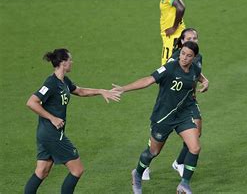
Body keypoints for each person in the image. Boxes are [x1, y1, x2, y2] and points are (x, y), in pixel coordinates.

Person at [112, 42, 208, 194]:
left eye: (188, 55)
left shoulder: (195, 69)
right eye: (182, 53)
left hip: (183, 116)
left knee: (195, 147)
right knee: (153, 152)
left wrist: (205, 82)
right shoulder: (170, 68)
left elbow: (198, 76)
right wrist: (124, 88)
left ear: (194, 57)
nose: (184, 58)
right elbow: (148, 80)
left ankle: (184, 184)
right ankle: (137, 173)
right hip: (163, 117)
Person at [24, 48, 121, 194]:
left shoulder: (63, 81)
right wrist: (52, 118)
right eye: (70, 60)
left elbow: (80, 91)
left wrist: (101, 91)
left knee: (42, 171)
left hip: (47, 134)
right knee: (77, 169)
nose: (72, 62)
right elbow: (31, 102)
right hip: (52, 134)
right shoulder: (51, 83)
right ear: (63, 63)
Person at [142, 28, 205, 180]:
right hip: (172, 103)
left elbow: (196, 72)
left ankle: (179, 163)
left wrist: (204, 80)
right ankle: (144, 166)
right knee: (155, 147)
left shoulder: (198, 56)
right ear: (182, 42)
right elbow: (165, 76)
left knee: (197, 134)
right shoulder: (176, 58)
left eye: (195, 38)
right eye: (189, 38)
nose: (192, 40)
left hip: (189, 101)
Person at [150, 0, 186, 65]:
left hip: (173, 39)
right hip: (176, 37)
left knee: (166, 74)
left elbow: (181, 8)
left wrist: (174, 27)